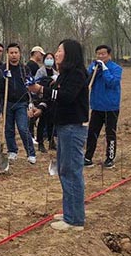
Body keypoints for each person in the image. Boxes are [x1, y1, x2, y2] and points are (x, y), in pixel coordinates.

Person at [28, 39, 89, 232]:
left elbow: (66, 97)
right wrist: (41, 108)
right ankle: (70, 212)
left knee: (72, 172)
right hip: (64, 127)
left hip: (73, 128)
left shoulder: (77, 74)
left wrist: (40, 89)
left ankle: (75, 220)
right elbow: (54, 98)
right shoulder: (64, 75)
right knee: (64, 171)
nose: (55, 54)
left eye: (59, 50)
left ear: (69, 53)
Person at [84, 45, 123, 168]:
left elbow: (112, 82)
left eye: (103, 54)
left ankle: (110, 158)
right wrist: (92, 71)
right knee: (92, 133)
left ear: (109, 55)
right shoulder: (93, 67)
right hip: (97, 106)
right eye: (98, 54)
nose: (100, 56)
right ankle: (88, 157)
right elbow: (86, 81)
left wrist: (105, 70)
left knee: (110, 133)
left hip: (111, 107)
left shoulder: (116, 68)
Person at [0, 43, 37, 164]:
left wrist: (31, 100)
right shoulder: (2, 69)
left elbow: (30, 85)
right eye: (11, 53)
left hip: (21, 103)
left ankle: (31, 153)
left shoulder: (24, 69)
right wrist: (2, 78)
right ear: (7, 54)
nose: (14, 55)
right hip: (7, 102)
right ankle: (12, 151)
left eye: (16, 53)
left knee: (22, 127)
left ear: (20, 54)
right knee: (8, 128)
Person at [33, 52, 58, 152]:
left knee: (51, 121)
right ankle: (40, 142)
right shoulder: (40, 71)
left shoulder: (56, 73)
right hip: (42, 99)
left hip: (52, 99)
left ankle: (51, 141)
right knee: (42, 121)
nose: (49, 60)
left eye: (51, 58)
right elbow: (36, 83)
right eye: (47, 58)